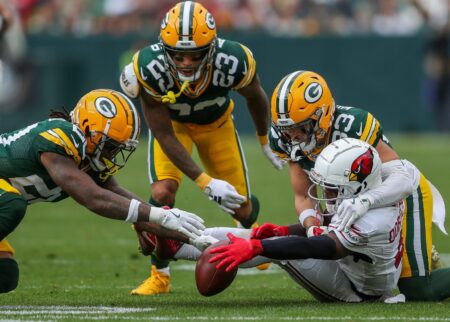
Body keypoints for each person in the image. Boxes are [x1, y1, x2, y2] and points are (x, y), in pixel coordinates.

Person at [119, 1, 282, 295]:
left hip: (217, 125)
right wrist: (205, 183)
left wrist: (263, 138)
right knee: (161, 194)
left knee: (242, 207)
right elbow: (163, 134)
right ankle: (160, 274)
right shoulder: (149, 67)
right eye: (177, 55)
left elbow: (255, 95)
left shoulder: (233, 59)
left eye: (194, 55)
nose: (185, 63)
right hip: (175, 130)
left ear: (211, 47)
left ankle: (249, 223)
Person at [0, 89, 210, 293]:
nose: (112, 154)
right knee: (12, 204)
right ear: (88, 128)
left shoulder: (86, 157)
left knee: (6, 275)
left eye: (118, 148)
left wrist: (191, 237)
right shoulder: (61, 135)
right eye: (110, 145)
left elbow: (118, 195)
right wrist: (159, 215)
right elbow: (93, 197)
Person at [266, 70, 450, 301]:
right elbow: (303, 195)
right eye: (287, 129)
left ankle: (416, 259)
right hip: (353, 200)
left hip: (398, 195)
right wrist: (312, 225)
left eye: (301, 127)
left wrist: (365, 201)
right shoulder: (284, 139)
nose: (294, 137)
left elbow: (401, 178)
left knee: (418, 290)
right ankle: (419, 259)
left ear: (322, 115)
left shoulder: (352, 125)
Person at [167, 138, 405, 302]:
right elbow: (325, 228)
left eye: (333, 188)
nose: (327, 194)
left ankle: (178, 248)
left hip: (358, 290)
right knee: (264, 238)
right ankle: (177, 242)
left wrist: (259, 247)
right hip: (356, 267)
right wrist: (280, 231)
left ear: (359, 185)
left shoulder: (373, 222)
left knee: (272, 248)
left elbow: (324, 246)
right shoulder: (373, 195)